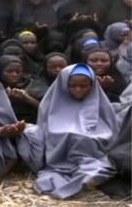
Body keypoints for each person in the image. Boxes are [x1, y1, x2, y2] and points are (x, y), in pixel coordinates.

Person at [18, 63, 118, 199]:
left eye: (84, 86)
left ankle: (83, 181)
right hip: (57, 161)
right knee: (49, 178)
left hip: (91, 158)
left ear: (92, 85)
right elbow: (43, 132)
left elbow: (113, 137)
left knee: (97, 170)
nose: (78, 90)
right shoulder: (50, 105)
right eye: (73, 86)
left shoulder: (102, 106)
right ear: (64, 84)